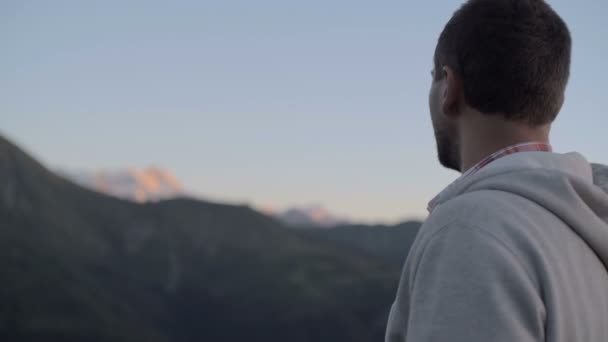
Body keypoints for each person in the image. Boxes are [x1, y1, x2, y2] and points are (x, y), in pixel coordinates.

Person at [385, 0, 608, 341]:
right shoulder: (586, 225)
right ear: (557, 102)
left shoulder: (468, 230)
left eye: (434, 78)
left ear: (449, 87)